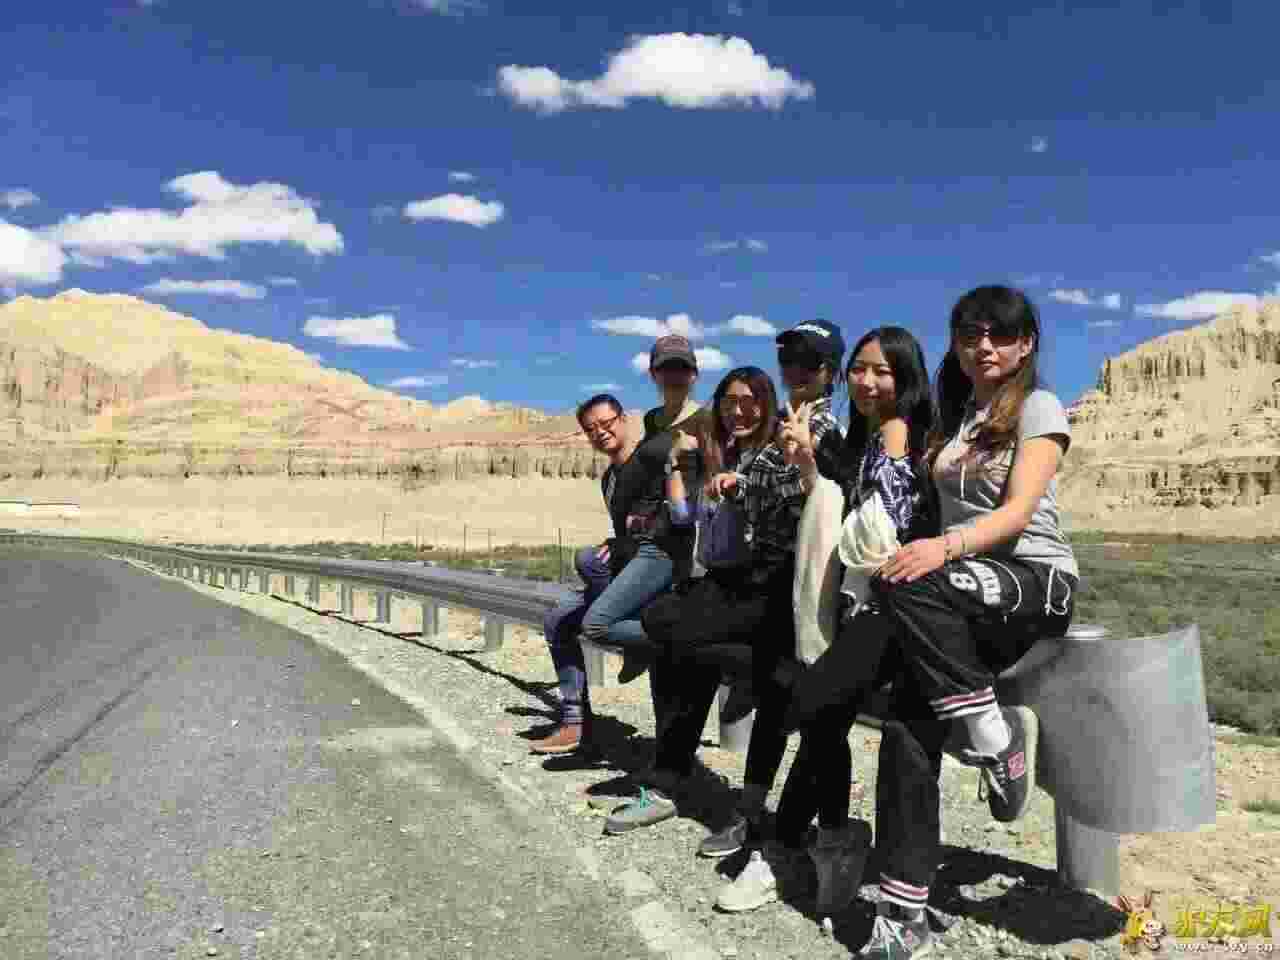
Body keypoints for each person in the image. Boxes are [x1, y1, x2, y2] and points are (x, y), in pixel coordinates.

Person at [787, 286, 1079, 958]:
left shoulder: (1038, 407)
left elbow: (1018, 513)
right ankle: (904, 912)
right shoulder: (959, 417)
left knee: (909, 576)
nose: (984, 346)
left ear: (1026, 344)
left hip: (1034, 582)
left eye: (1000, 334)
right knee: (896, 723)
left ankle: (991, 735)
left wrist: (941, 549)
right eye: (971, 334)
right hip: (951, 600)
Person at [603, 321, 848, 908]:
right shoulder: (756, 430)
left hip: (793, 584)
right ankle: (703, 772)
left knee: (764, 676)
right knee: (673, 630)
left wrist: (754, 479)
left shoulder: (819, 428)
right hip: (746, 580)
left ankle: (757, 815)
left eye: (809, 362)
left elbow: (813, 492)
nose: (796, 370)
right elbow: (698, 506)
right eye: (789, 360)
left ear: (829, 370)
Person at [776, 326, 935, 926]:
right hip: (864, 601)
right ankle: (820, 837)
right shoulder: (870, 435)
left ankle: (835, 837)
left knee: (814, 704)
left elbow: (885, 521)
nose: (866, 381)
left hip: (894, 604)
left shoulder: (901, 433)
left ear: (906, 377)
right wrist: (809, 460)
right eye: (860, 369)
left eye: (882, 371)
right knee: (821, 711)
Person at [530, 336, 703, 754]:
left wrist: (633, 539)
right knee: (559, 621)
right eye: (591, 429)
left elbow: (677, 512)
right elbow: (626, 528)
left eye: (606, 423)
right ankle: (575, 722)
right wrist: (620, 541)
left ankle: (666, 757)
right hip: (630, 567)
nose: (600, 432)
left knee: (591, 572)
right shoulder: (610, 477)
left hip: (659, 565)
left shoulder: (653, 454)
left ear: (624, 419)